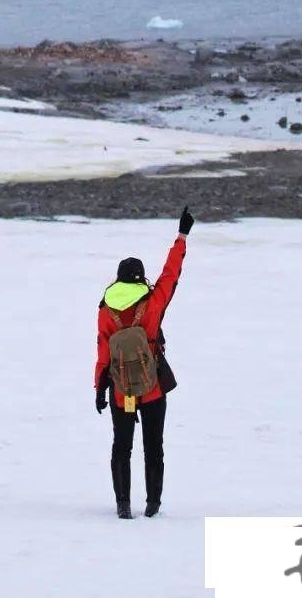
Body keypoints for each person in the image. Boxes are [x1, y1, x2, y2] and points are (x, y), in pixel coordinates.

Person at [94, 206, 195, 519]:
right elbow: (170, 274)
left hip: (122, 391)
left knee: (121, 446)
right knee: (154, 445)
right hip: (151, 387)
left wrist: (100, 388)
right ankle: (153, 504)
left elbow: (103, 352)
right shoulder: (153, 302)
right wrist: (182, 235)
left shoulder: (105, 308)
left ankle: (123, 504)